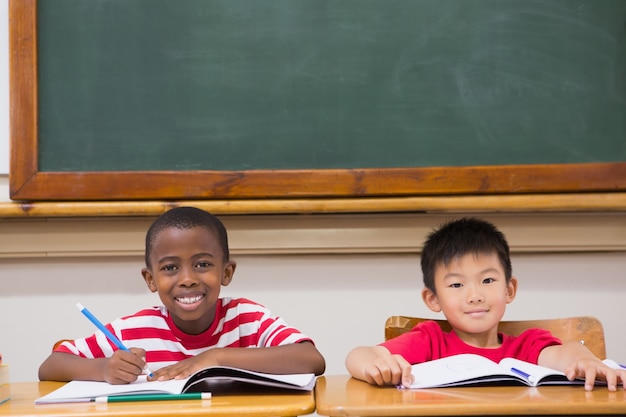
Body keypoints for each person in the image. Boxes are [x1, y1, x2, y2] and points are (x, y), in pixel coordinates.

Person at [39, 206, 325, 384]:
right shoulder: (133, 330)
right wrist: (103, 369)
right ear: (150, 279)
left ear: (226, 273)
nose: (187, 279)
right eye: (170, 267)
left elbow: (311, 358)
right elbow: (50, 366)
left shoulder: (247, 318)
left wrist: (216, 357)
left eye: (203, 264)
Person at [345, 217, 625, 391]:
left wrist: (587, 362)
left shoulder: (526, 346)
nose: (474, 295)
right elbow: (358, 355)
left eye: (488, 281)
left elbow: (569, 353)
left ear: (509, 289)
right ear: (433, 299)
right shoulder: (430, 341)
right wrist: (375, 366)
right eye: (456, 285)